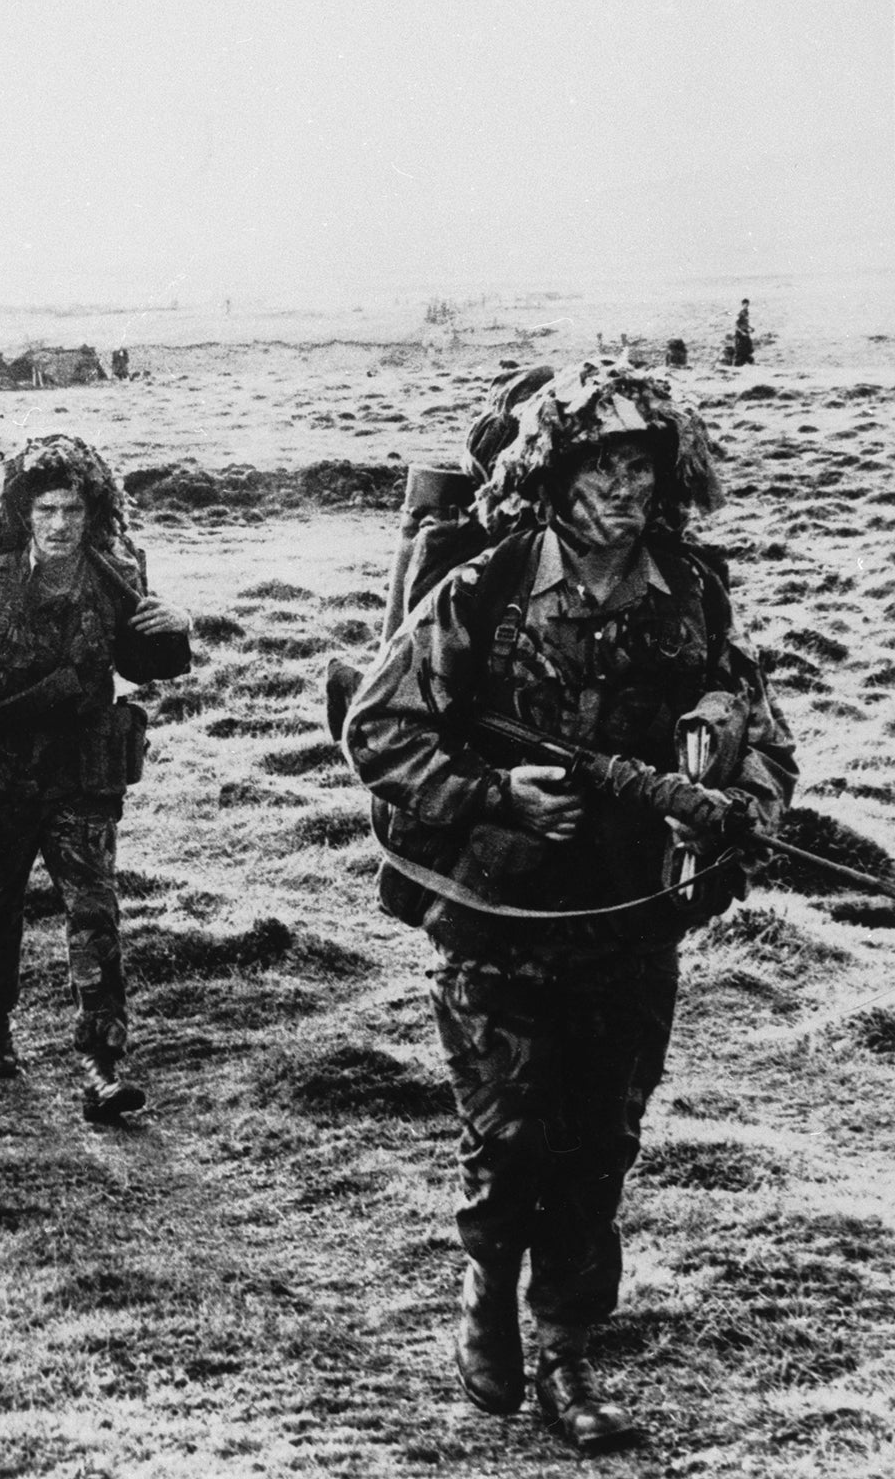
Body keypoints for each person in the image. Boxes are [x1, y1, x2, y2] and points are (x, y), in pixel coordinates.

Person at [342, 362, 795, 1453]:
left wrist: (728, 794)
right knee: (508, 1137)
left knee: (601, 1140)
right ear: (552, 477)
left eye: (639, 468)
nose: (621, 490)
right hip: (499, 915)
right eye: (600, 467)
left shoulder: (687, 590)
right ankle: (487, 1293)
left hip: (630, 914)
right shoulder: (484, 590)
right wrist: (493, 795)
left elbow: (762, 736)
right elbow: (377, 731)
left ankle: (562, 1349)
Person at [0, 435, 191, 1119]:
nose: (61, 524)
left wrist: (177, 625)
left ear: (89, 513)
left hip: (81, 776)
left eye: (71, 509)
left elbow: (144, 662)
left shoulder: (112, 576)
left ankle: (101, 1063)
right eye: (47, 511)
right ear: (25, 515)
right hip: (1, 779)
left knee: (94, 914)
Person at [732, 299, 755, 367]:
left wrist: (750, 328)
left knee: (748, 346)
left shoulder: (746, 312)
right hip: (740, 333)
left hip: (745, 332)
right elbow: (737, 324)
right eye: (745, 305)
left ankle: (746, 361)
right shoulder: (741, 313)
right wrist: (742, 332)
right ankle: (736, 363)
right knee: (740, 348)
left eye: (747, 305)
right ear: (742, 305)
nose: (746, 306)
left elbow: (745, 323)